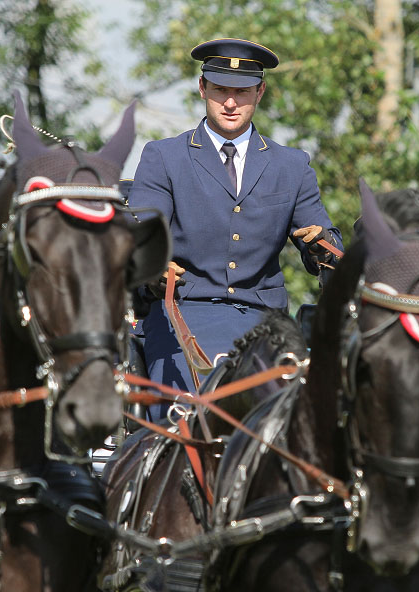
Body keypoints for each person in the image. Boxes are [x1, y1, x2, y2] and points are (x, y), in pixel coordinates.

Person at [128, 37, 341, 420]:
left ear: (260, 91)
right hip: (183, 316)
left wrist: (324, 250)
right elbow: (143, 236)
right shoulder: (163, 157)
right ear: (202, 87)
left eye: (241, 92)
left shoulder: (292, 165)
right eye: (221, 90)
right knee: (183, 425)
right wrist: (152, 266)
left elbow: (325, 243)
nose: (230, 103)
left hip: (266, 325)